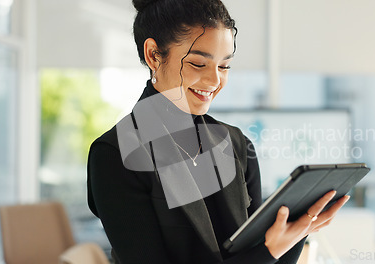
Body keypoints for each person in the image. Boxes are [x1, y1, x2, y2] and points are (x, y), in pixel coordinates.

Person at [87, 0, 350, 263]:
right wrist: (269, 251)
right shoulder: (116, 154)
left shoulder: (236, 144)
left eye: (224, 66)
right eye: (198, 64)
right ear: (153, 54)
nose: (214, 81)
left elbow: (262, 253)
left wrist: (297, 231)